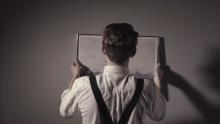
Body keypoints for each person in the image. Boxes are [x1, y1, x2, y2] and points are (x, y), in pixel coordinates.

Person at [60, 23, 166, 124]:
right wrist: (157, 83)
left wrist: (75, 75)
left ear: (103, 50)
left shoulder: (82, 84)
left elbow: (65, 111)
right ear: (133, 52)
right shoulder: (146, 85)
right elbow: (158, 115)